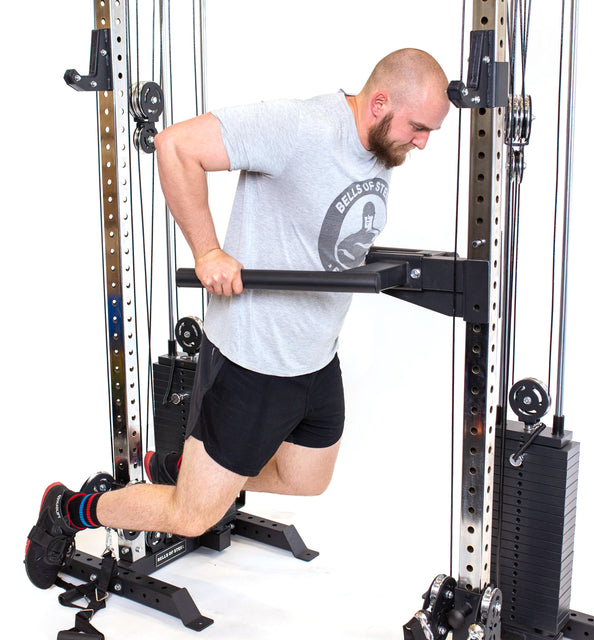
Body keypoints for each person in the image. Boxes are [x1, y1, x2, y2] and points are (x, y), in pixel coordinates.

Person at [25, 48, 450, 589]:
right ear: (381, 102)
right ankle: (70, 510)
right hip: (253, 358)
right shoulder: (300, 126)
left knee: (307, 479)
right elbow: (176, 145)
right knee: (193, 516)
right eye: (417, 128)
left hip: (315, 357)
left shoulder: (379, 150)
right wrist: (208, 252)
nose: (422, 142)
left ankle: (183, 471)